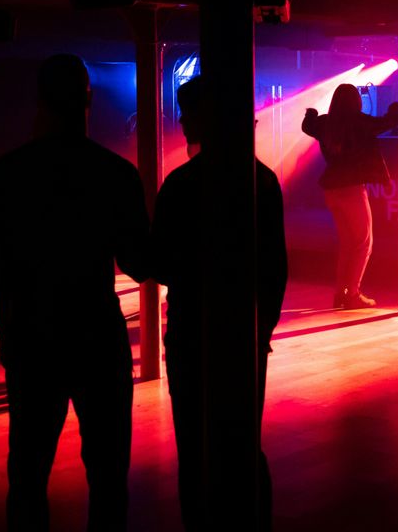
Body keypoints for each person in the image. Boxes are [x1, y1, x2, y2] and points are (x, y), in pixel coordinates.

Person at [0, 54, 151, 531]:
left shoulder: (9, 173)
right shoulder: (114, 173)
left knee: (28, 475)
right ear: (88, 100)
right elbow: (139, 263)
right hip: (97, 334)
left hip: (34, 335)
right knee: (108, 476)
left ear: (39, 100)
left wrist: (8, 332)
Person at [152, 75, 288, 531]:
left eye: (186, 114)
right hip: (245, 335)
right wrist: (261, 329)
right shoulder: (263, 181)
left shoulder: (181, 184)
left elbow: (161, 263)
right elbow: (275, 268)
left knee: (194, 447)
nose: (182, 122)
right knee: (244, 442)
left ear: (201, 119)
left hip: (191, 332)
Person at [301, 84, 398, 309]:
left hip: (331, 189)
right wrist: (396, 108)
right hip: (352, 188)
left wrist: (311, 113)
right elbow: (389, 122)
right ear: (356, 100)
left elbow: (308, 125)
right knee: (364, 243)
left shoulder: (325, 123)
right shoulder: (360, 122)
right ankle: (352, 294)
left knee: (348, 243)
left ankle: (341, 293)